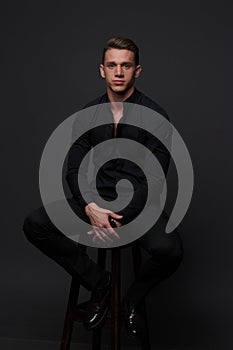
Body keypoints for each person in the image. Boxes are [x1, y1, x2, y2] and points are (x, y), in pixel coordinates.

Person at [23, 37, 184, 338]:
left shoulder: (156, 115)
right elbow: (73, 167)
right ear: (102, 70)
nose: (119, 71)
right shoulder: (88, 114)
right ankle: (100, 283)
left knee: (171, 250)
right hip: (94, 203)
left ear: (137, 70)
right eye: (112, 65)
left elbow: (155, 179)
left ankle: (131, 301)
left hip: (138, 205)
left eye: (126, 65)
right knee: (34, 224)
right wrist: (89, 207)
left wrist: (114, 216)